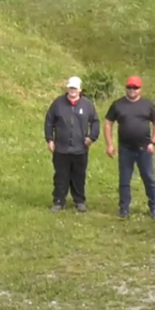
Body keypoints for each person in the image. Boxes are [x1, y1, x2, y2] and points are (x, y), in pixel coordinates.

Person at [104, 75, 155, 219]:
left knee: (149, 178)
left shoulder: (147, 105)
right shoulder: (118, 105)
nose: (132, 90)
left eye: (135, 88)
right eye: (129, 87)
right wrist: (110, 144)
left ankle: (154, 206)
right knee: (124, 179)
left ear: (140, 89)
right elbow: (108, 122)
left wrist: (153, 142)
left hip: (144, 148)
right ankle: (124, 208)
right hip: (125, 148)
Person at [44, 76, 100, 213]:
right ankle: (58, 201)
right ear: (67, 88)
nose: (72, 90)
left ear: (80, 89)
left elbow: (95, 122)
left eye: (75, 88)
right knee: (61, 176)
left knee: (79, 175)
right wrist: (49, 139)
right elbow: (49, 121)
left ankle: (79, 201)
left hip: (80, 149)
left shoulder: (87, 105)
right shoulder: (58, 103)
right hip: (61, 148)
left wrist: (91, 138)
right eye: (70, 87)